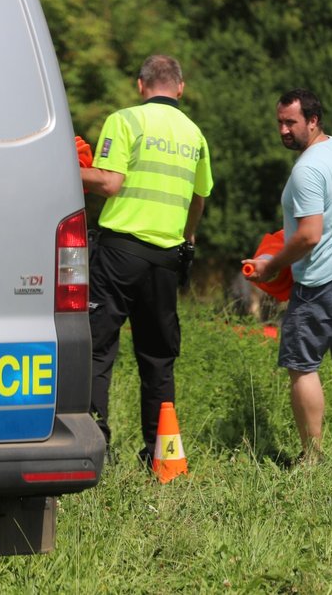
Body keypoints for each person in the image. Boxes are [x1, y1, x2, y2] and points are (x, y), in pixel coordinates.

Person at [243, 88, 332, 461]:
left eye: (291, 122)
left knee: (301, 366)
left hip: (325, 278)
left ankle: (312, 456)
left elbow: (309, 235)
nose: (283, 130)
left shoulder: (307, 168)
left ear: (313, 120)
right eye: (280, 122)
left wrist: (271, 265)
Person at [80, 55, 213, 464]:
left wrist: (63, 165)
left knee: (98, 349)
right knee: (157, 357)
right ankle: (159, 450)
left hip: (119, 253)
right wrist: (188, 237)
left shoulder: (125, 121)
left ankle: (93, 443)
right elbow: (200, 195)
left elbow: (109, 182)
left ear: (141, 85)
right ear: (180, 87)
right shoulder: (194, 135)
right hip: (165, 260)